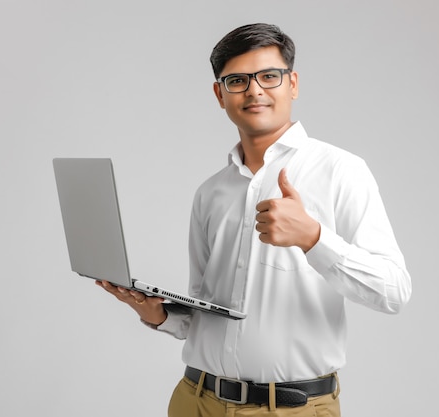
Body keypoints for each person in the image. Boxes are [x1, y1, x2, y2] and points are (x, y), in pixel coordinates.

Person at [97, 23, 412, 416]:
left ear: (292, 84)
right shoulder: (211, 191)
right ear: (220, 93)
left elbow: (394, 291)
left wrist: (313, 238)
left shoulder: (341, 171)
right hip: (195, 400)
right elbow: (206, 311)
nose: (255, 90)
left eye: (269, 76)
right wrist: (158, 315)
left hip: (288, 409)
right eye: (237, 80)